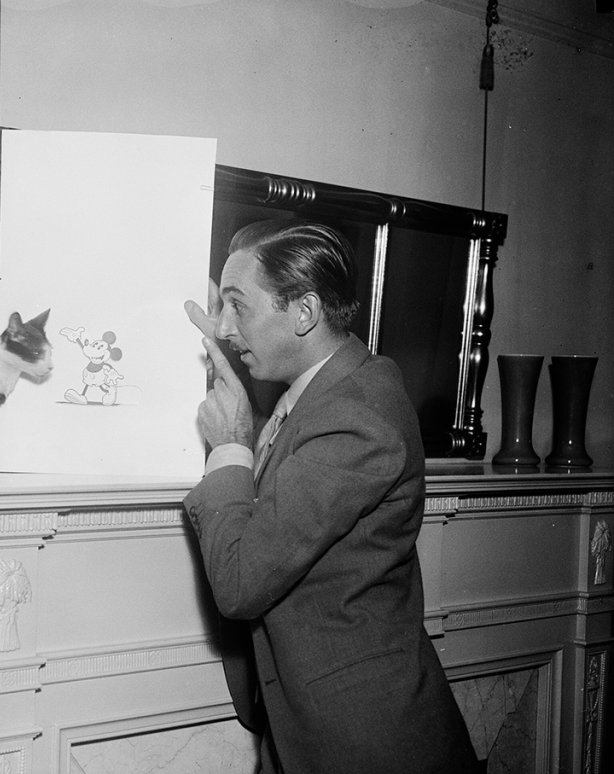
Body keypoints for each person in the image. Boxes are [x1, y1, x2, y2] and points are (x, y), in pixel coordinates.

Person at [183, 221, 478, 774]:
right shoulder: (323, 397)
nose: (224, 328)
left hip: (368, 742)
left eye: (237, 306)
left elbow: (242, 581)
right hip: (306, 730)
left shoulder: (357, 415)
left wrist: (228, 448)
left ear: (304, 312)